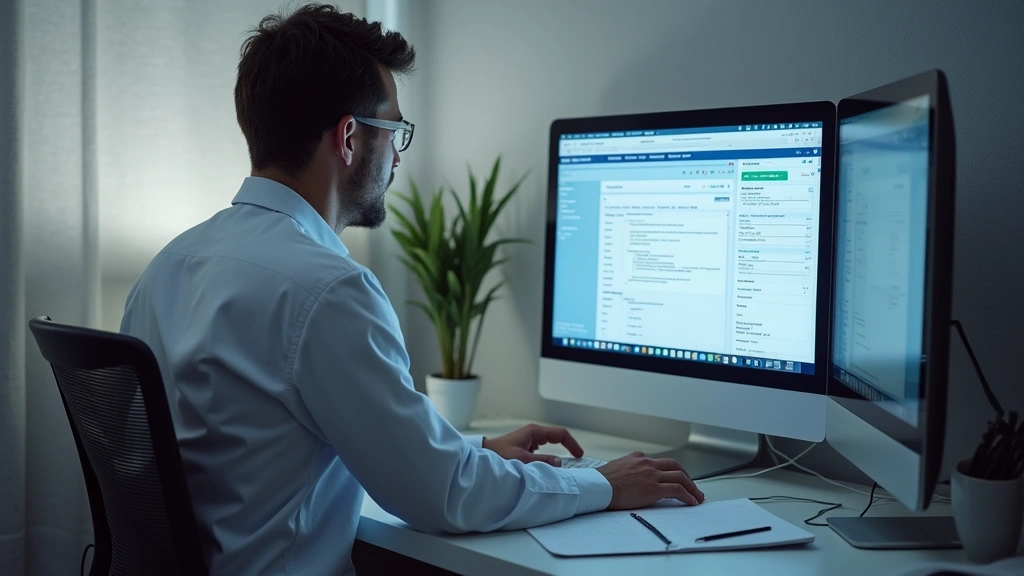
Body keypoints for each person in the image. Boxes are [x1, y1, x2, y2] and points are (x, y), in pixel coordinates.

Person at [119, 3, 704, 574]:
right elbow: (442, 496)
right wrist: (601, 483)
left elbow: (265, 446)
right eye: (394, 131)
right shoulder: (328, 290)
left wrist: (473, 452)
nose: (397, 160)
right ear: (349, 138)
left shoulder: (168, 267)